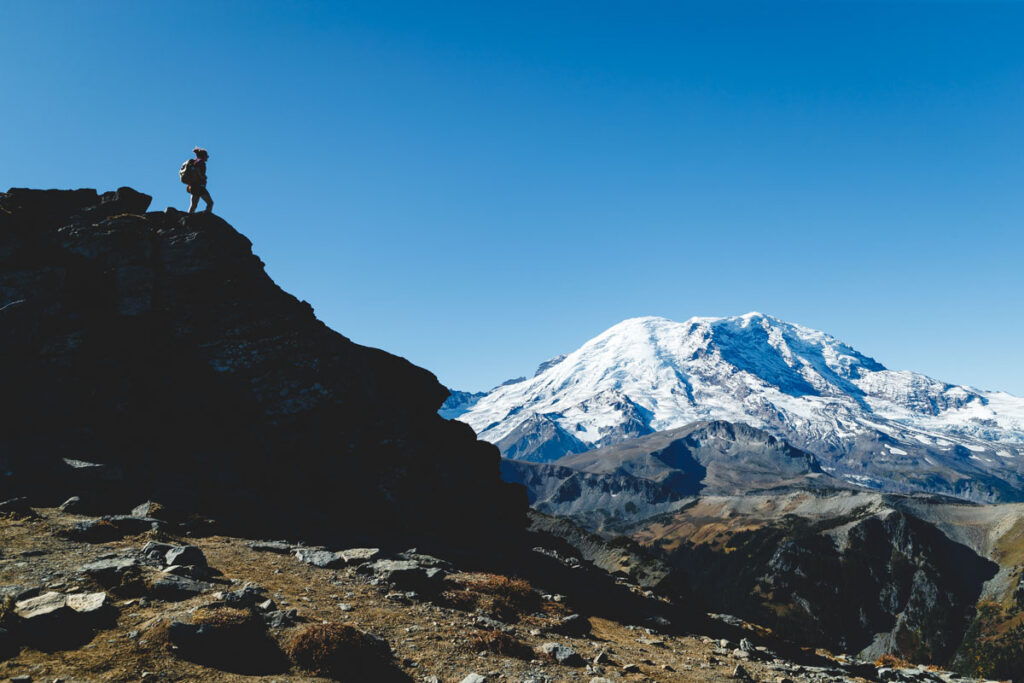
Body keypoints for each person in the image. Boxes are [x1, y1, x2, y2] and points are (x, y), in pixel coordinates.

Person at [185, 147, 214, 214]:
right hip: (199, 186)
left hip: (194, 186)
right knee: (210, 203)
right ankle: (207, 216)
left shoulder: (196, 161)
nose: (208, 157)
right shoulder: (200, 161)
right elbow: (196, 169)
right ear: (203, 156)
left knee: (194, 205)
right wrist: (202, 177)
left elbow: (194, 169)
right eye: (207, 156)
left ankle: (188, 219)